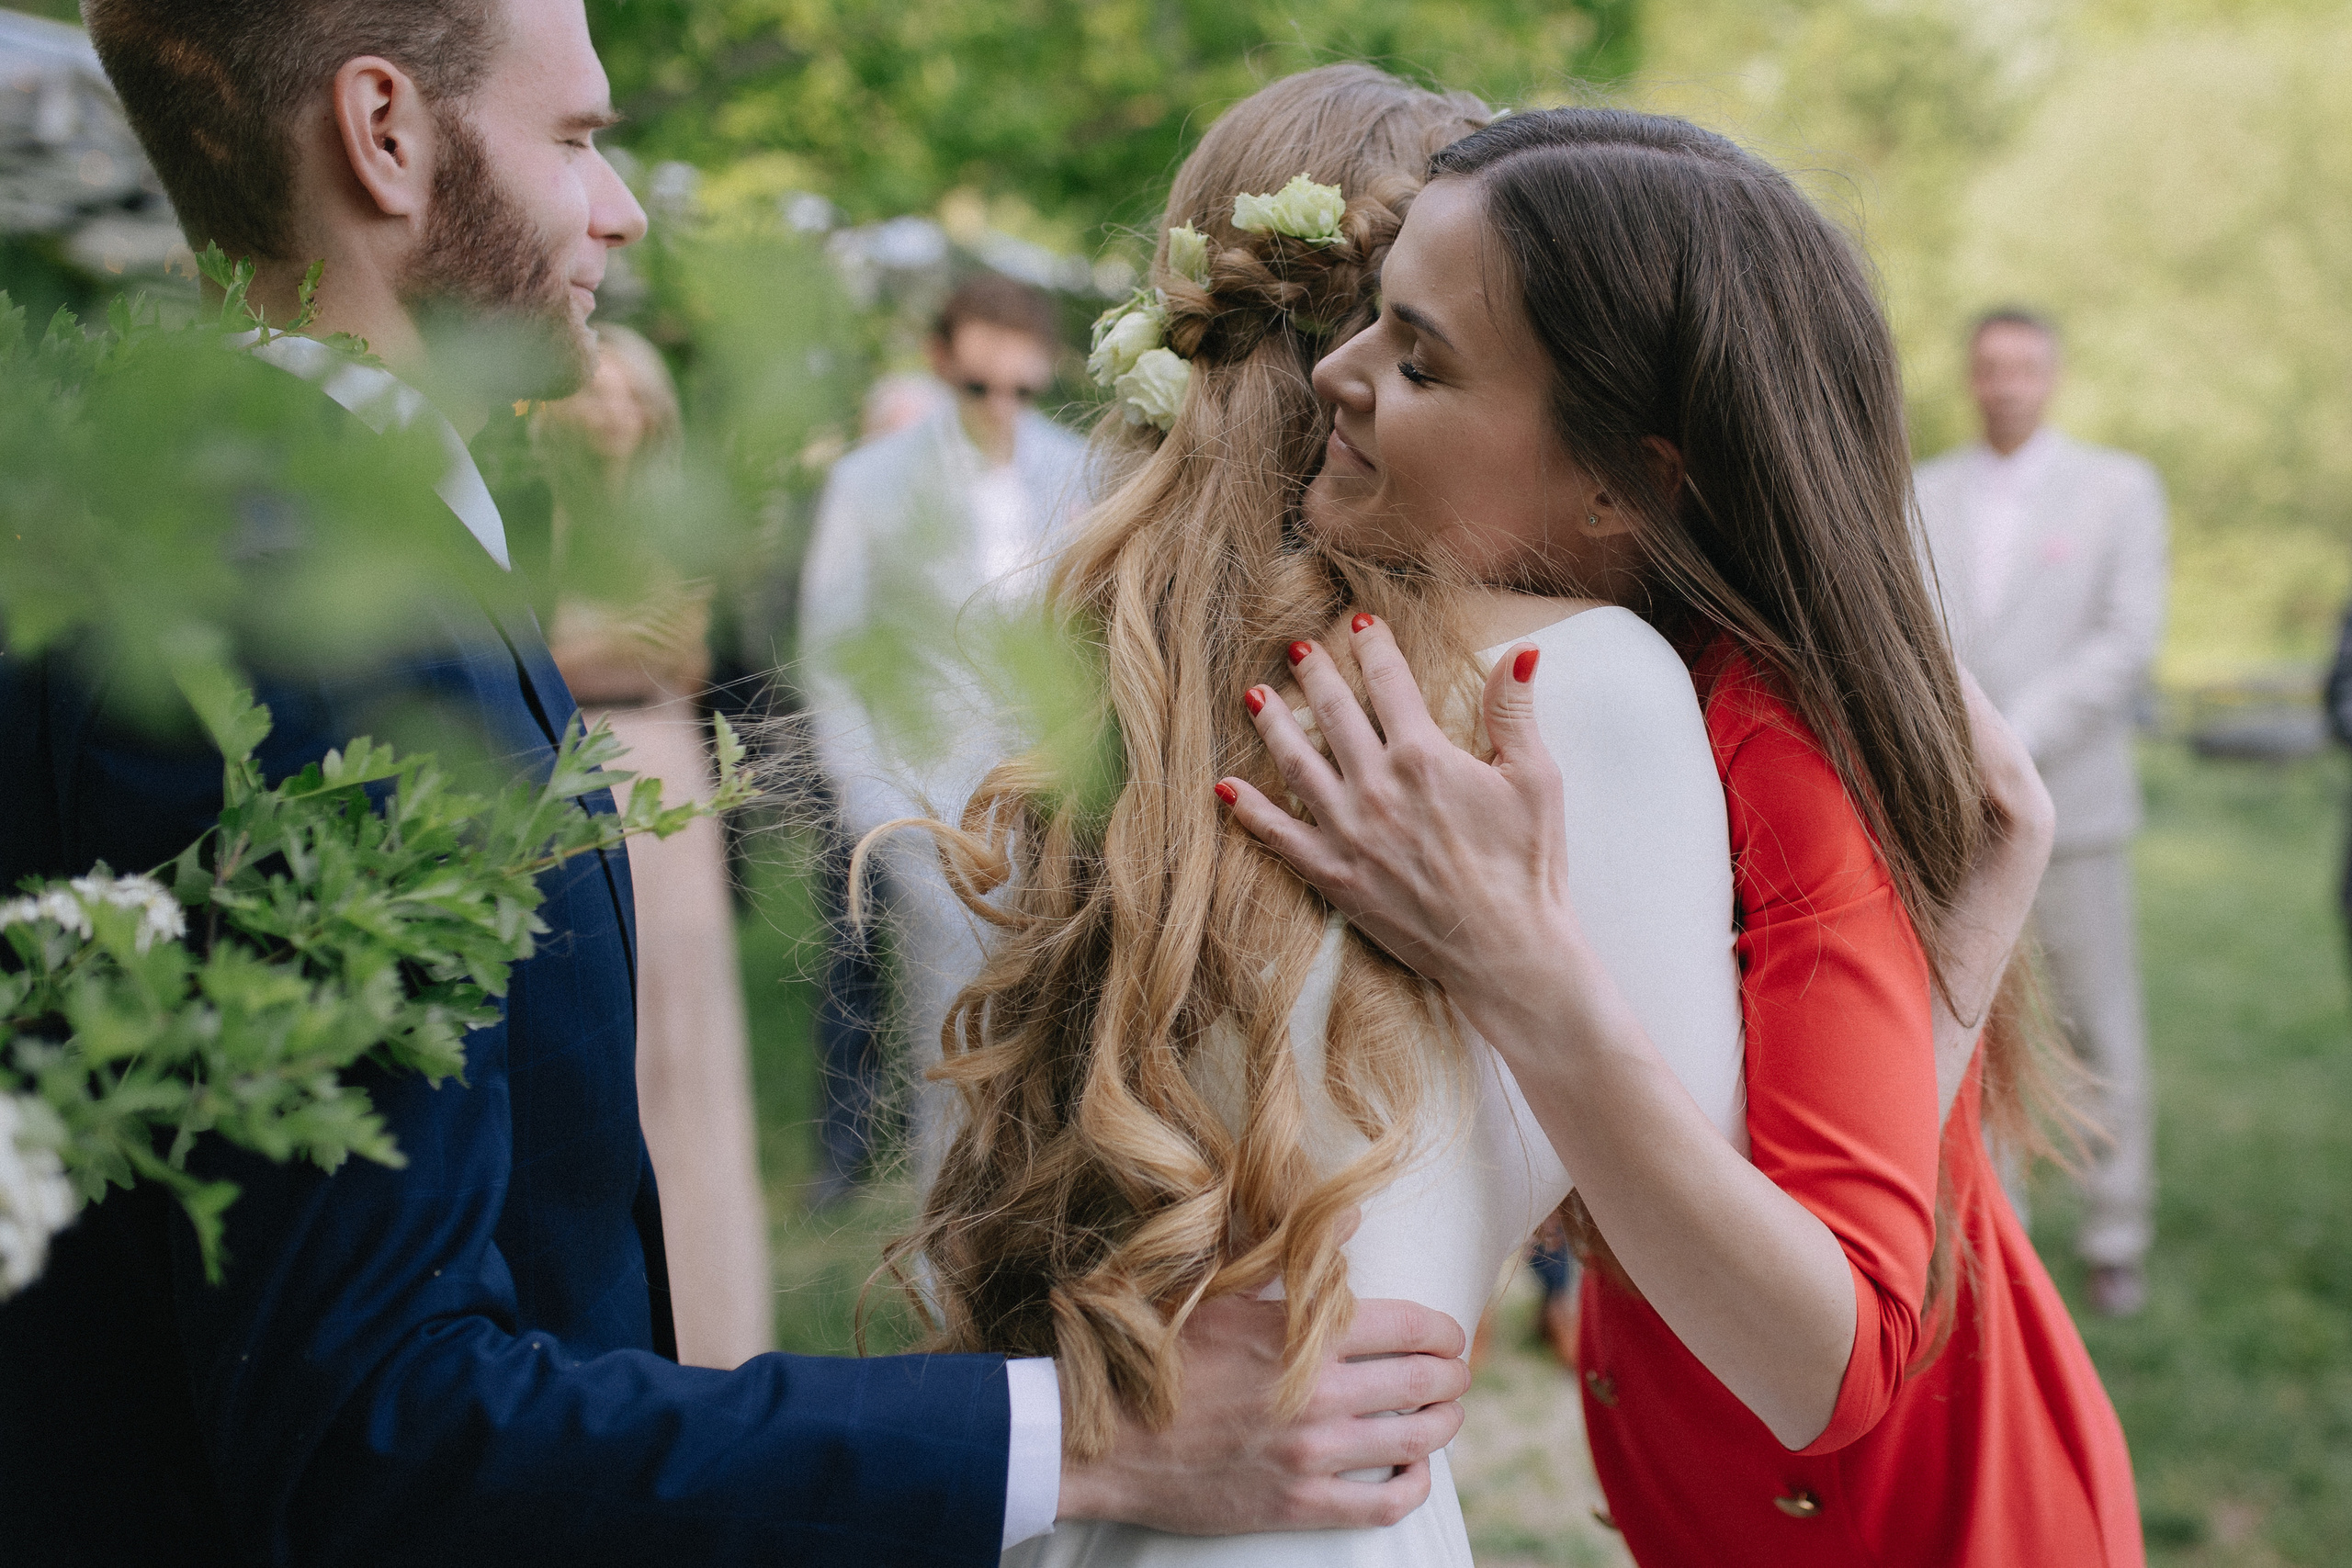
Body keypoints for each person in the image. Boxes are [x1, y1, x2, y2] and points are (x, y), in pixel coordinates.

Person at [0, 5, 1476, 1563]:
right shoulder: (304, 619)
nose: (621, 207)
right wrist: (1087, 1434)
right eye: (575, 139)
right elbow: (381, 1425)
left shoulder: (210, 517)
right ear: (384, 134)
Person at [1216, 111, 2143, 1565]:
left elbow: (1829, 1352)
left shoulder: (1769, 734)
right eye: (1362, 321)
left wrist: (1515, 963)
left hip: (1911, 1515)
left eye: (1417, 355)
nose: (1335, 374)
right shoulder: (1568, 651)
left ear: (1622, 482)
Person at [889, 66, 1747, 1568]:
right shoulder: (1569, 679)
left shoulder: (1104, 663)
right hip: (1331, 1513)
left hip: (1079, 1499)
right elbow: (1706, 1252)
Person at [798, 274, 1088, 1196]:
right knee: (948, 1048)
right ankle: (944, 1273)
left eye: (1023, 389)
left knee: (1063, 1058)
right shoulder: (868, 482)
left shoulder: (1084, 469)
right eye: (978, 387)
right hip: (930, 817)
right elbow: (834, 658)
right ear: (938, 361)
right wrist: (876, 811)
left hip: (1066, 810)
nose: (1000, 408)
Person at [1917, 308, 2169, 1316]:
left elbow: (2127, 638)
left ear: (2051, 376)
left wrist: (2009, 739)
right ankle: (1997, 1229)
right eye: (1990, 366)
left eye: (2024, 366)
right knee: (1970, 1016)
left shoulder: (2117, 489)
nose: (2006, 383)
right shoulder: (1922, 491)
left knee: (2098, 1021)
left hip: (2077, 804)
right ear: (1971, 377)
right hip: (1951, 815)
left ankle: (2117, 1229)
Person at [535, 324, 772, 1371]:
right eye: (598, 392)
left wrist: (565, 652)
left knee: (685, 1036)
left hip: (660, 766)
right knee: (599, 1035)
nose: (615, 411)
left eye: (632, 394)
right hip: (567, 771)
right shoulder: (531, 519)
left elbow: (679, 652)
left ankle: (709, 1315)